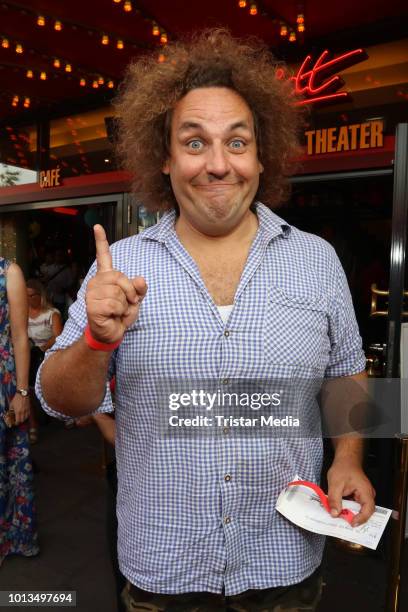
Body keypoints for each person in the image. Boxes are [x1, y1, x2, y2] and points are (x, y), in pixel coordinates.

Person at [36, 30, 375, 612]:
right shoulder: (123, 266)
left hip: (284, 560)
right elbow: (59, 399)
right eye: (195, 143)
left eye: (236, 142)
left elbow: (347, 371)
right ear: (165, 159)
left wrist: (348, 459)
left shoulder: (317, 260)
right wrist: (95, 340)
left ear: (261, 154)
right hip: (163, 568)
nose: (218, 164)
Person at [0, 258, 39, 566]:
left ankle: (10, 538)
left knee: (6, 464)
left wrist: (22, 392)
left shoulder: (8, 272)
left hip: (2, 385)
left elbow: (20, 336)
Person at [27, 279, 63, 443]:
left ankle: (63, 411)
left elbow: (58, 336)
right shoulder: (22, 313)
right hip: (30, 353)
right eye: (25, 296)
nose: (27, 299)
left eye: (31, 295)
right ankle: (33, 425)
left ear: (39, 295)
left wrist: (42, 347)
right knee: (23, 388)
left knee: (51, 383)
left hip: (46, 352)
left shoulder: (52, 313)